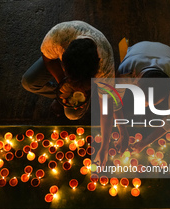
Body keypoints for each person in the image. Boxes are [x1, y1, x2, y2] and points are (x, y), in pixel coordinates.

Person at [22, 21, 127, 166]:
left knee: (72, 114)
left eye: (83, 86)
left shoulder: (104, 65)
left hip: (84, 73)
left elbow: (107, 108)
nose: (76, 88)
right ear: (63, 62)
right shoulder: (56, 38)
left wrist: (104, 146)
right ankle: (60, 96)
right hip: (65, 69)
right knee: (28, 82)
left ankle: (84, 96)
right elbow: (48, 59)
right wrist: (62, 85)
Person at [117, 41, 170, 154]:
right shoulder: (126, 71)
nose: (143, 106)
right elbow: (113, 101)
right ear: (136, 82)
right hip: (138, 49)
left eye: (151, 104)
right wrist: (123, 132)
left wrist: (145, 143)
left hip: (167, 52)